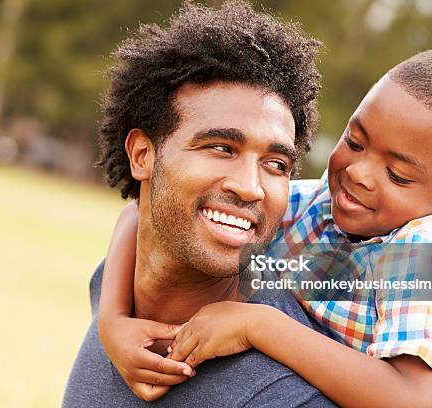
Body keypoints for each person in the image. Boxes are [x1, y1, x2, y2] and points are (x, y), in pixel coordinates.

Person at [100, 50, 432, 406]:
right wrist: (113, 321)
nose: (359, 174)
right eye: (355, 142)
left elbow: (409, 400)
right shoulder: (322, 204)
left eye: (397, 174)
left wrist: (258, 325)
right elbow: (142, 211)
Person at [63, 1, 336, 406]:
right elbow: (136, 213)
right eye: (221, 148)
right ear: (142, 155)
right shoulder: (113, 286)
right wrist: (112, 319)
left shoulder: (286, 393)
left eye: (276, 164)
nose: (250, 188)